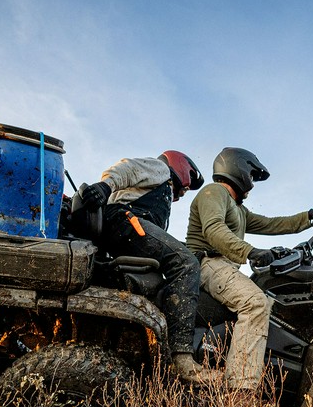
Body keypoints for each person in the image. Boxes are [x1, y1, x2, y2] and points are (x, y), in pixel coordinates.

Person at [185, 147, 313, 391]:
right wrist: (250, 252)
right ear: (238, 168)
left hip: (225, 266)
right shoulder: (214, 192)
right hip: (208, 263)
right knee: (255, 303)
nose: (251, 183)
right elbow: (214, 229)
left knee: (266, 300)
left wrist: (309, 217)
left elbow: (273, 224)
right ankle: (241, 389)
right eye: (251, 176)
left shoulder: (239, 210)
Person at [76, 151, 218, 385]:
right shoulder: (159, 168)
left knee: (180, 262)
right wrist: (104, 186)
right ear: (183, 169)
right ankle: (182, 356)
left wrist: (190, 249)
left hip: (128, 227)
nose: (181, 195)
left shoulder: (155, 192)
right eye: (185, 188)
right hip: (125, 220)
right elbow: (127, 169)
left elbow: (158, 239)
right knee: (186, 264)